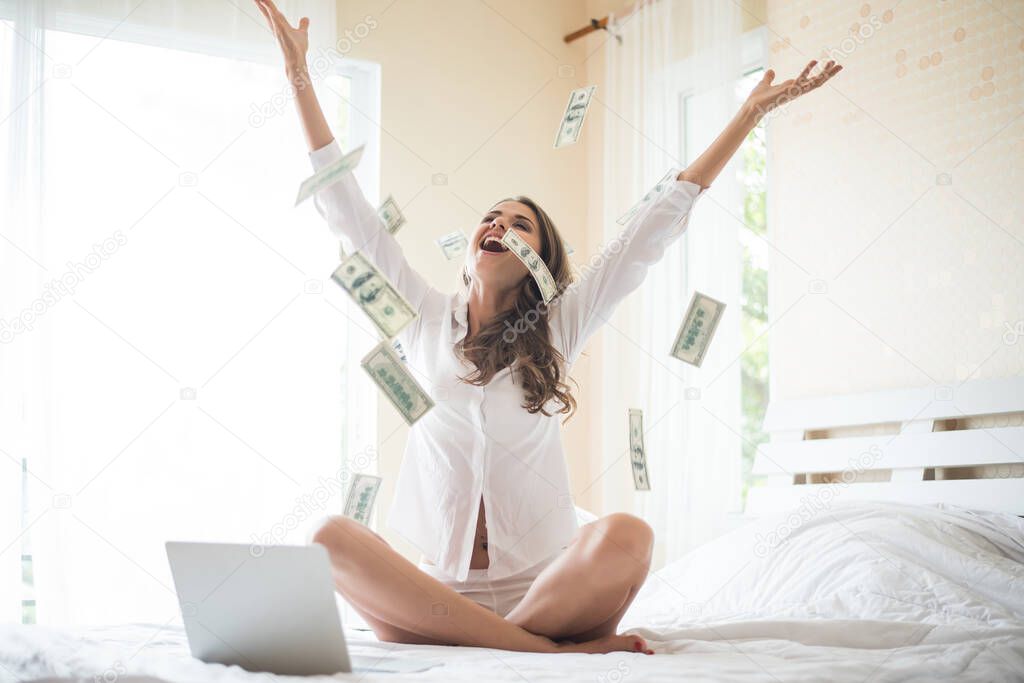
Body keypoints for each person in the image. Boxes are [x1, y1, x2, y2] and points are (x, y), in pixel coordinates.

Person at [254, 0, 841, 655]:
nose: (498, 224)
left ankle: (519, 639)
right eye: (490, 216)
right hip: (436, 597)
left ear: (539, 261)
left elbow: (650, 232)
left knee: (629, 535)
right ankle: (540, 653)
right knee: (327, 535)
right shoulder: (419, 318)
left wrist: (747, 114)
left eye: (519, 223)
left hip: (546, 593)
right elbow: (347, 212)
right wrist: (300, 78)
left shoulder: (559, 325)